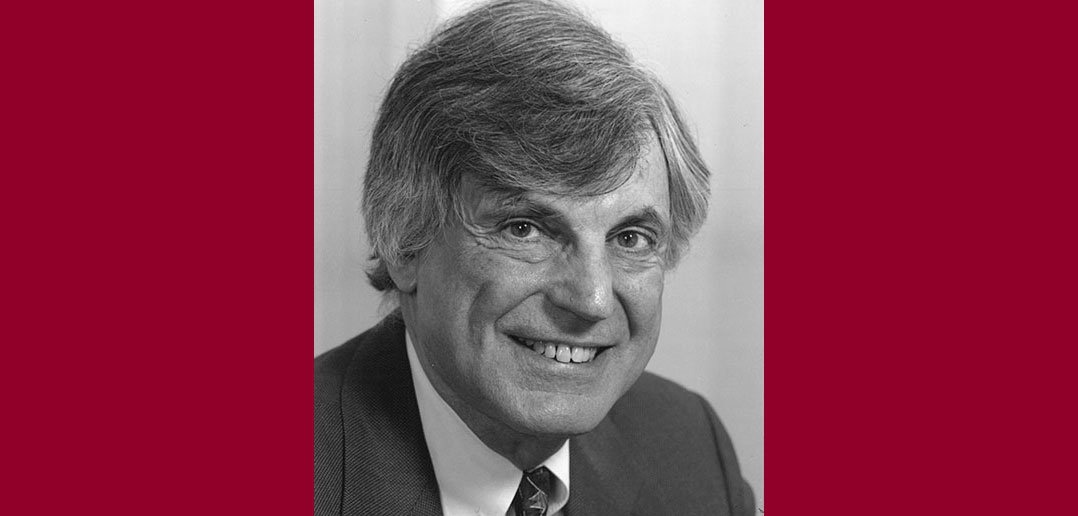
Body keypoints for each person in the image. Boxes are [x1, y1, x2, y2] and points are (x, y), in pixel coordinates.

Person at [314, 0, 755, 514]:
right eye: (526, 230)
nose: (591, 298)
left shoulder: (689, 447)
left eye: (630, 238)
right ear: (404, 243)